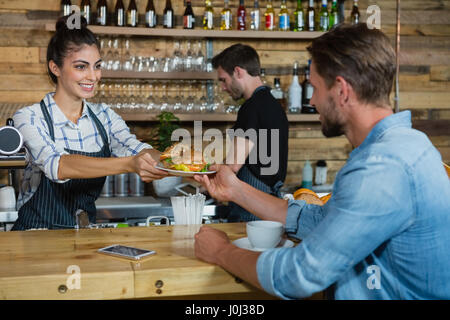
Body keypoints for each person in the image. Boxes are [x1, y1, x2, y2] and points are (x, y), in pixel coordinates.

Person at [194, 23, 450, 299]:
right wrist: (235, 190)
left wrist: (221, 252)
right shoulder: (408, 144)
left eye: (314, 87)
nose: (312, 100)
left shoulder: (383, 167)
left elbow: (299, 275)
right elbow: (318, 220)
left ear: (341, 90)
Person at [11, 16, 168, 231]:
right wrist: (131, 163)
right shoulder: (29, 117)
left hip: (83, 236)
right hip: (36, 236)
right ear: (55, 68)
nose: (93, 76)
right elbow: (58, 166)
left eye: (97, 66)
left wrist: (180, 164)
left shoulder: (104, 116)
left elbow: (137, 149)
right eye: (81, 67)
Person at [211, 44, 289, 222]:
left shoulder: (251, 107)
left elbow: (234, 164)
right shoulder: (273, 104)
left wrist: (205, 177)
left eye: (223, 79)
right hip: (268, 199)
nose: (222, 87)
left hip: (250, 205)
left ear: (238, 72)